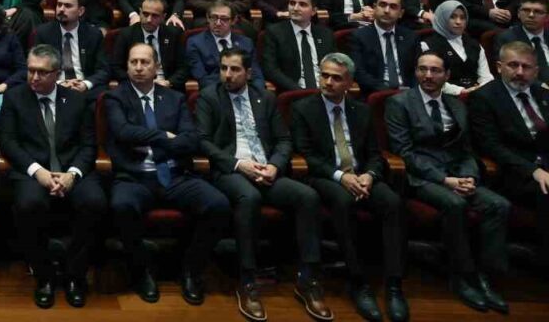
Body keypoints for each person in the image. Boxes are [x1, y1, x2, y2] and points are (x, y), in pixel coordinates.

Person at [195, 47, 328, 322]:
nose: (227, 75)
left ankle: (308, 278)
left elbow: (283, 140)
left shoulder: (265, 98)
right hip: (231, 171)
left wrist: (275, 166)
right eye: (223, 68)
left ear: (248, 73)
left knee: (308, 196)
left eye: (235, 69)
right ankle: (247, 280)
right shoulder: (209, 97)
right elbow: (204, 141)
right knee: (250, 198)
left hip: (266, 170)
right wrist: (238, 164)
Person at [385, 51, 511, 313]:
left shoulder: (456, 105)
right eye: (422, 69)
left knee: (499, 205)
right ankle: (462, 275)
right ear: (416, 72)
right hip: (422, 177)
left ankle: (485, 277)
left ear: (447, 75)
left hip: (458, 173)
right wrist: (446, 180)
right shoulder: (399, 103)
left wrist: (469, 177)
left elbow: (466, 150)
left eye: (435, 70)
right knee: (455, 204)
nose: (428, 75)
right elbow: (405, 153)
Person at [105, 41, 230, 305]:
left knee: (218, 204)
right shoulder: (116, 97)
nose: (139, 67)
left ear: (157, 67)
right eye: (133, 62)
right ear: (127, 66)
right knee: (121, 205)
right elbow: (123, 132)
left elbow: (191, 139)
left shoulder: (174, 98)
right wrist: (164, 136)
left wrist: (149, 139)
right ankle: (142, 272)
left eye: (145, 62)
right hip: (136, 176)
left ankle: (191, 270)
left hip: (175, 174)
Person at [291, 53, 409, 322]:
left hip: (361, 175)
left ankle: (394, 285)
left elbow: (374, 153)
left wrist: (370, 175)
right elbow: (307, 155)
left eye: (336, 78)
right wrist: (340, 177)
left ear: (349, 83)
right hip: (326, 177)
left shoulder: (361, 110)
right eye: (324, 75)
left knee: (392, 202)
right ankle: (358, 282)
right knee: (342, 201)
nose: (328, 82)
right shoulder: (303, 108)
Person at [0, 43, 106, 309]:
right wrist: (39, 172)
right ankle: (44, 275)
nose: (34, 77)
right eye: (31, 70)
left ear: (57, 74)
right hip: (33, 170)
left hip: (71, 170)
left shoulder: (77, 100)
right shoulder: (14, 98)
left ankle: (75, 275)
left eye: (42, 72)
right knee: (29, 204)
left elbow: (88, 146)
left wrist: (72, 174)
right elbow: (8, 143)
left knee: (95, 202)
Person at [468, 39, 549, 270]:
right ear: (499, 66)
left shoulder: (543, 94)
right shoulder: (484, 98)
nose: (520, 72)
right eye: (513, 65)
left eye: (526, 67)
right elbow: (491, 146)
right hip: (512, 172)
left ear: (536, 71)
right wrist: (533, 171)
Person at [32, 0, 110, 91]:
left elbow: (103, 70)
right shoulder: (44, 33)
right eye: (59, 5)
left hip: (84, 89)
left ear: (80, 11)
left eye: (67, 6)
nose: (61, 9)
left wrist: (85, 84)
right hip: (54, 88)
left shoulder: (93, 34)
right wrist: (59, 84)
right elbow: (36, 68)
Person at [260, 0, 334, 92]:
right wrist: (300, 91)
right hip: (294, 92)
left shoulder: (325, 34)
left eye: (302, 4)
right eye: (292, 3)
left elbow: (333, 65)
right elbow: (271, 70)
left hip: (324, 91)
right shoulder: (275, 33)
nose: (295, 8)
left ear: (313, 11)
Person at [348, 0, 419, 94]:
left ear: (401, 13)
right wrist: (387, 91)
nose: (386, 10)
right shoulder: (359, 36)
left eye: (393, 7)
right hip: (376, 93)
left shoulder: (410, 37)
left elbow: (417, 70)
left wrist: (411, 91)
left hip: (408, 94)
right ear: (374, 8)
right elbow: (359, 73)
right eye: (382, 5)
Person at [113, 0, 189, 89]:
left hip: (166, 86)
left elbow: (184, 68)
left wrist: (169, 82)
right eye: (145, 14)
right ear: (140, 12)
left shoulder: (173, 34)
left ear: (163, 17)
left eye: (155, 16)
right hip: (135, 86)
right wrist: (137, 82)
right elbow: (116, 68)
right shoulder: (126, 34)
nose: (149, 20)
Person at [421, 0, 493, 94]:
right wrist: (460, 91)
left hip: (477, 94)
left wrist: (480, 89)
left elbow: (486, 77)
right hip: (443, 95)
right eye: (452, 17)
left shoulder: (474, 44)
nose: (458, 22)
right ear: (442, 18)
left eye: (462, 18)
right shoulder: (428, 45)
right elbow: (429, 79)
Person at [494, 0, 549, 85]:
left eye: (537, 11)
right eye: (526, 10)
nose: (531, 15)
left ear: (547, 17)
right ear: (518, 14)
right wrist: (542, 87)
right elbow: (510, 74)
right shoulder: (507, 38)